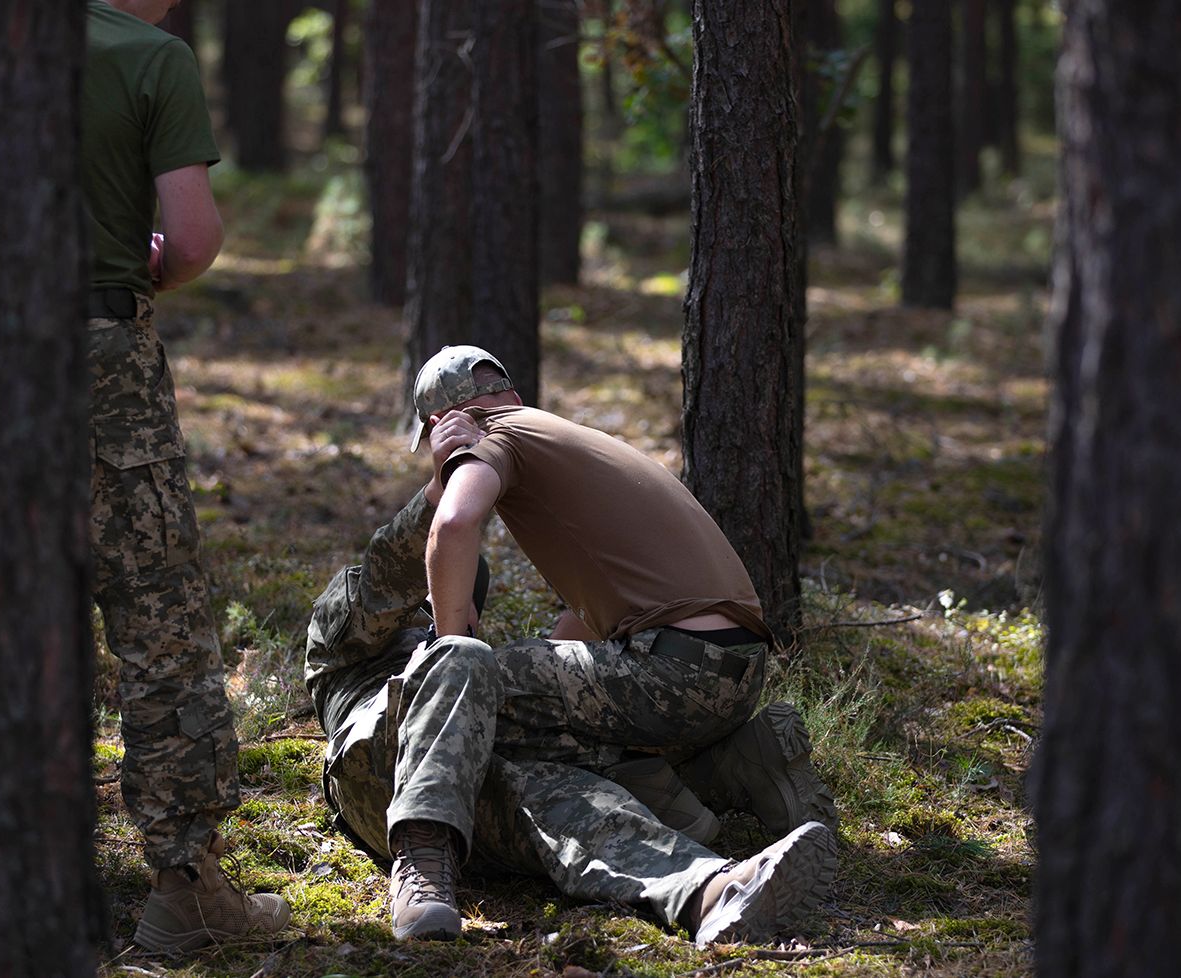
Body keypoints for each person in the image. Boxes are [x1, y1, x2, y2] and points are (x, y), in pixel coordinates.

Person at [305, 471, 839, 944]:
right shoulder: (345, 642)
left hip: (478, 782)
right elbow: (381, 583)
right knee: (464, 657)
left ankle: (713, 889)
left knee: (575, 802)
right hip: (379, 776)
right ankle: (421, 867)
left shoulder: (468, 663)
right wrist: (441, 493)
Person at [413, 345, 835, 843]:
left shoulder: (499, 437)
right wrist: (556, 661)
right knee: (557, 697)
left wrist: (450, 650)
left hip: (675, 672)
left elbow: (455, 524)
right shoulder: (571, 439)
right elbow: (600, 610)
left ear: (444, 424)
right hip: (738, 671)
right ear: (514, 394)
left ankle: (663, 802)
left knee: (470, 697)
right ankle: (747, 762)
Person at [84, 0, 288, 951]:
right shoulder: (150, 58)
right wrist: (148, 268)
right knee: (157, 617)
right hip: (98, 363)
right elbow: (195, 239)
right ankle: (184, 887)